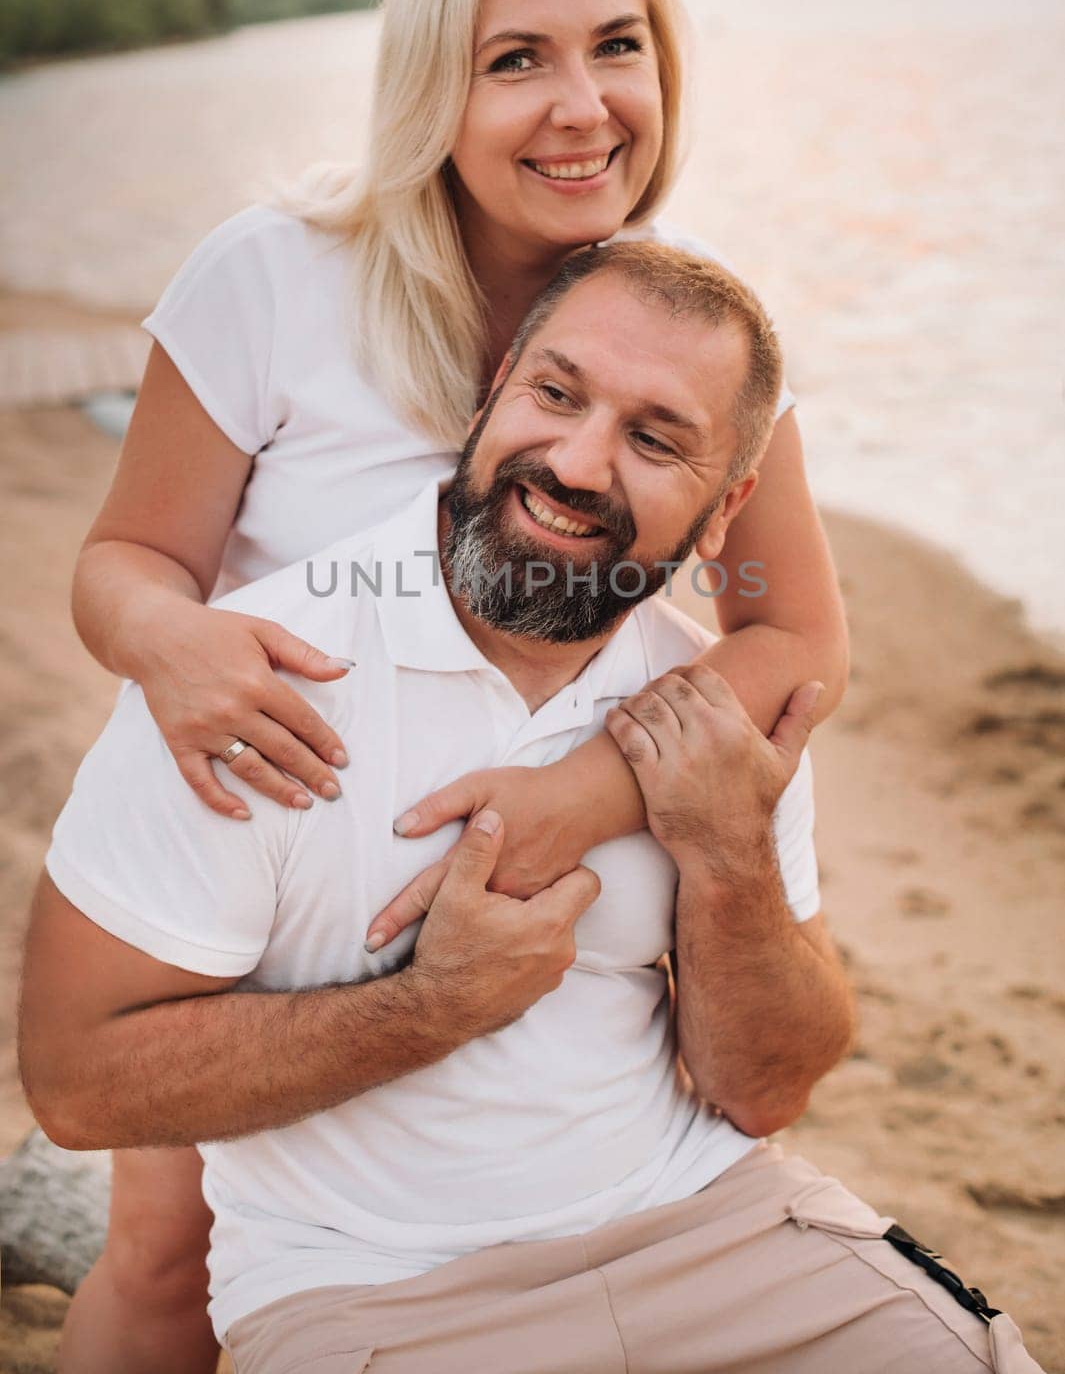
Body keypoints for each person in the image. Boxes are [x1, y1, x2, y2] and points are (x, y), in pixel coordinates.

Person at [64, 0, 848, 1372]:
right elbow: (123, 559)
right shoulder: (275, 276)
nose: (580, 106)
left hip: (560, 914)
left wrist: (580, 795)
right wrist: (172, 644)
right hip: (272, 876)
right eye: (515, 60)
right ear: (434, 83)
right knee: (168, 1258)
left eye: (617, 47)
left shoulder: (690, 327)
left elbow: (790, 636)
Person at [23, 243, 1041, 1373]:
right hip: (375, 1288)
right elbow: (75, 1083)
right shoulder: (258, 682)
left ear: (726, 508)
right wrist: (433, 1005)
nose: (578, 460)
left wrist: (729, 854)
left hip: (710, 1228)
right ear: (495, 387)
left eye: (656, 439)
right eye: (556, 394)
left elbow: (767, 1086)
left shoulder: (714, 704)